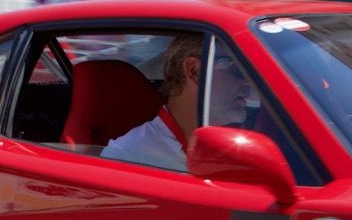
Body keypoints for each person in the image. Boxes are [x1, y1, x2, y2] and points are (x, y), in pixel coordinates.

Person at [104, 34, 252, 172]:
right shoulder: (127, 156)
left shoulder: (241, 144)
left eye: (249, 71)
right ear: (195, 71)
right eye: (237, 69)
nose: (249, 82)